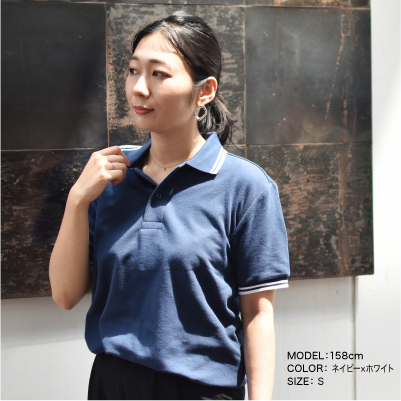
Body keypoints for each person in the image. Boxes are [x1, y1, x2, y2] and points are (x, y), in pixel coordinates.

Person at [49, 11, 290, 400]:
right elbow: (65, 295)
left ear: (204, 91)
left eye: (158, 74)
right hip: (112, 386)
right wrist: (77, 200)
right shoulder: (107, 179)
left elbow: (257, 314)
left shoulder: (246, 187)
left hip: (202, 390)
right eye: (133, 71)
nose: (139, 88)